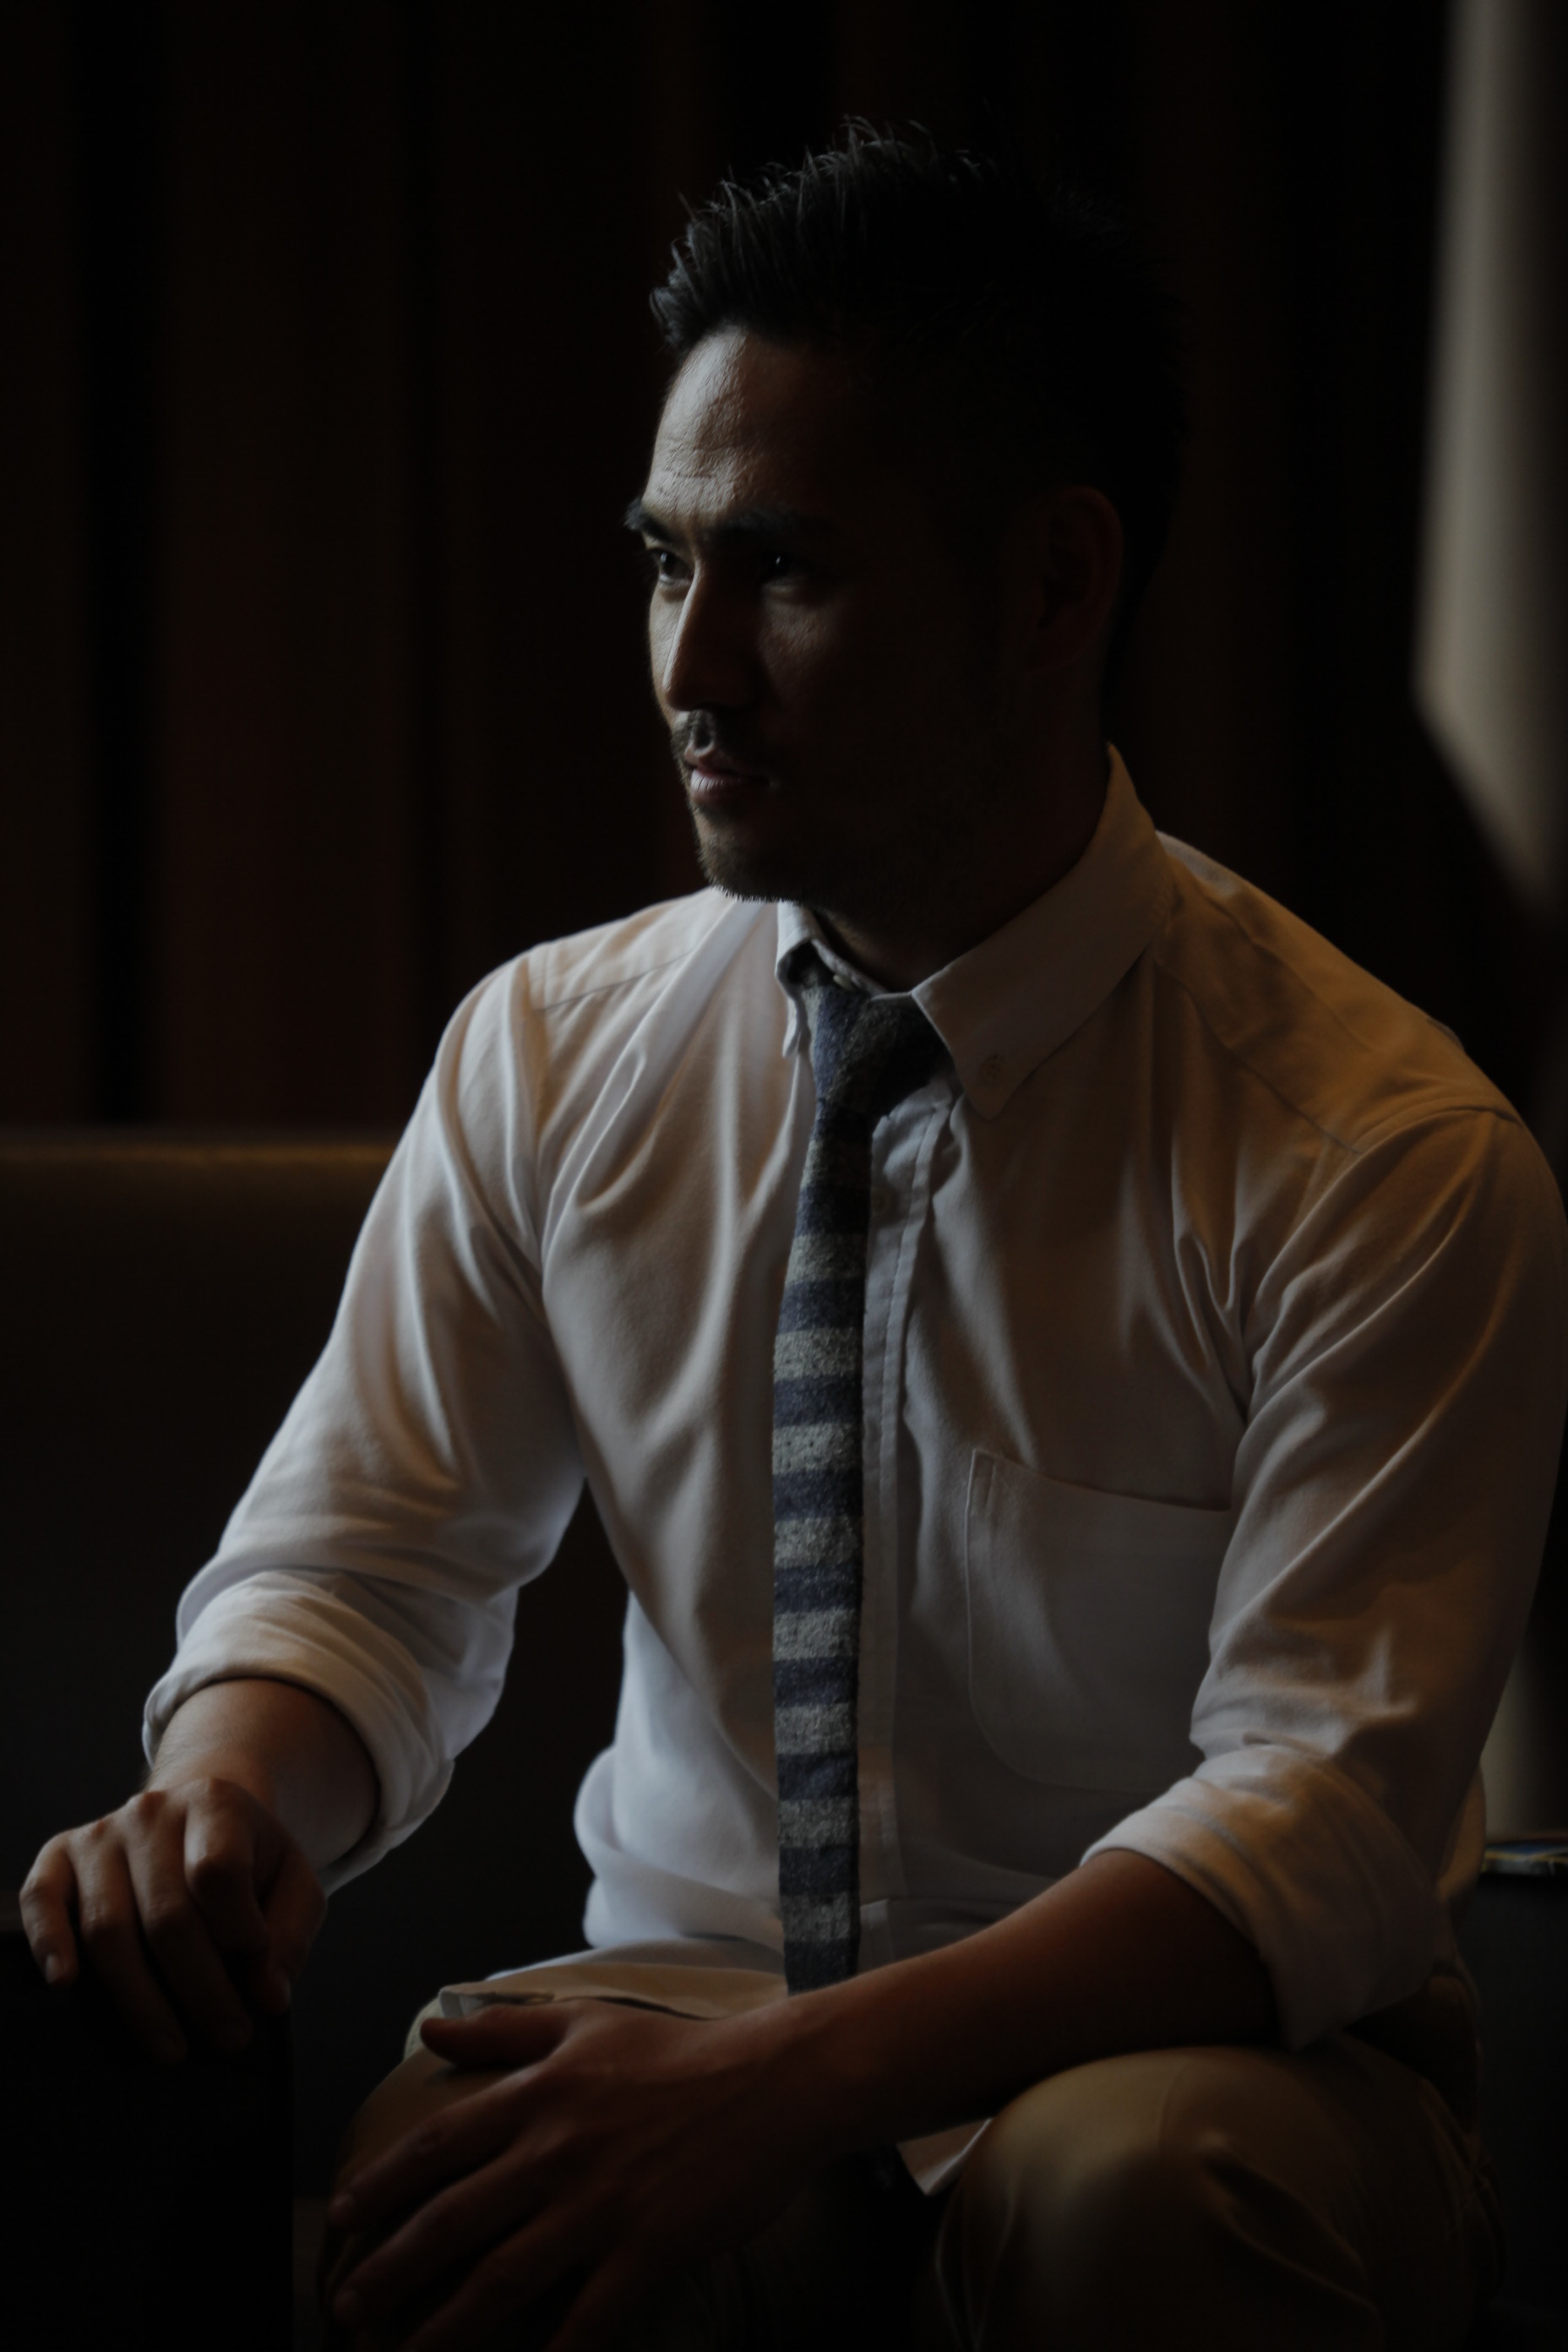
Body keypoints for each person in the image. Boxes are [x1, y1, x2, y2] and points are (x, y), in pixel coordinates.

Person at [22, 128, 1568, 2351]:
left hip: (1219, 2058)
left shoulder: (1377, 1149)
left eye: (784, 573)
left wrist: (784, 2091)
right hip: (688, 1984)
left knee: (1133, 2200)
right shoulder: (551, 1053)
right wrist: (222, 1801)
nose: (695, 666)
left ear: (1055, 586)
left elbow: (1315, 1828)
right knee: (459, 2207)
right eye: (664, 566)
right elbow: (364, 1573)